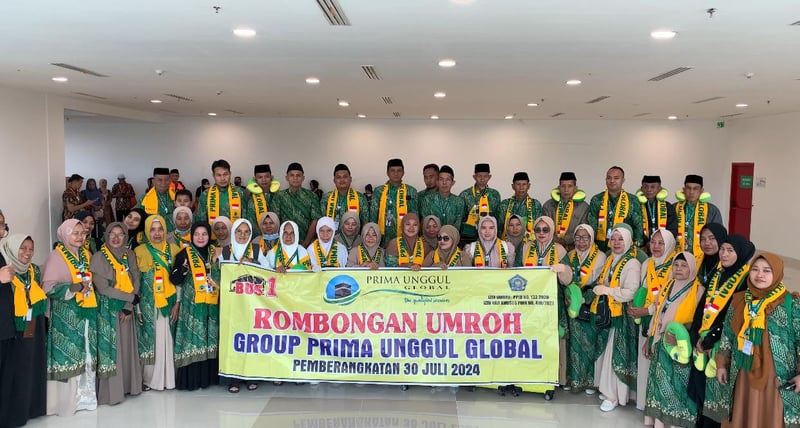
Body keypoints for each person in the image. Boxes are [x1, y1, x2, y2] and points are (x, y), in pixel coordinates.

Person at [715, 253, 800, 428]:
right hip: (743, 372)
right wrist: (722, 364)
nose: (759, 275)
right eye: (755, 269)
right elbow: (728, 335)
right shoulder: (739, 301)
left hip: (777, 378)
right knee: (742, 414)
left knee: (771, 417)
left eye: (766, 271)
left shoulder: (791, 304)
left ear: (776, 273)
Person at [689, 235, 754, 427]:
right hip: (704, 339)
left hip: (721, 345)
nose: (724, 254)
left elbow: (733, 315)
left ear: (741, 253)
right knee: (700, 386)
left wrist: (712, 337)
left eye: (730, 250)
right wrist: (696, 334)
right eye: (722, 249)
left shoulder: (745, 280)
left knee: (716, 393)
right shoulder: (717, 273)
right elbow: (703, 306)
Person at [41, 219, 98, 415]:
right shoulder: (55, 257)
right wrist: (74, 287)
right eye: (75, 233)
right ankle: (65, 402)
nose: (80, 237)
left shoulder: (86, 254)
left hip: (86, 313)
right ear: (65, 234)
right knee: (67, 354)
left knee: (86, 351)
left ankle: (86, 397)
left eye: (83, 233)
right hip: (65, 316)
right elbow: (48, 288)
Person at [643, 252, 705, 428]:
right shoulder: (668, 285)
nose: (678, 269)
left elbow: (699, 321)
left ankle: (677, 423)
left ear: (691, 268)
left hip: (679, 346)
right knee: (659, 383)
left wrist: (681, 331)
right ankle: (659, 422)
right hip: (660, 342)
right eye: (676, 265)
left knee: (677, 387)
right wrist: (649, 337)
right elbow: (657, 313)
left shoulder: (698, 291)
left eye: (683, 266)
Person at [89, 223, 143, 405]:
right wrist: (131, 298)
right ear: (106, 235)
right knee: (111, 350)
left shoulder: (130, 255)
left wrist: (129, 305)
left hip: (127, 308)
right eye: (113, 234)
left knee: (126, 346)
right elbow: (103, 289)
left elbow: (136, 278)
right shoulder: (97, 258)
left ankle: (129, 386)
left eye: (121, 234)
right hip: (108, 310)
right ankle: (111, 393)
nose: (116, 238)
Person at [591, 223, 642, 412]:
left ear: (628, 241)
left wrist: (608, 291)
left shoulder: (632, 263)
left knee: (616, 355)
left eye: (621, 239)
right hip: (609, 313)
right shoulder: (611, 259)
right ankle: (607, 389)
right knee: (606, 353)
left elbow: (630, 292)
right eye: (613, 238)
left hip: (622, 317)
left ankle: (614, 396)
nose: (616, 242)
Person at [520, 216, 572, 387]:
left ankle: (551, 378)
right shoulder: (526, 247)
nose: (541, 233)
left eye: (545, 230)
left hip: (552, 303)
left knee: (550, 340)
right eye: (538, 230)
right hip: (527, 303)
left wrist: (563, 269)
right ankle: (530, 375)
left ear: (552, 230)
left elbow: (568, 280)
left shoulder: (560, 250)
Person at [0, 234, 47, 426]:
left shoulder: (32, 270)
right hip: (12, 329)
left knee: (30, 366)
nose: (27, 253)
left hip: (31, 324)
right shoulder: (6, 271)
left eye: (30, 249)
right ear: (12, 248)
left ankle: (30, 408)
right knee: (14, 371)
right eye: (23, 248)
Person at [628, 229, 677, 411]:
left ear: (670, 244)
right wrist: (634, 306)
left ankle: (658, 407)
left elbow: (672, 296)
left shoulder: (675, 265)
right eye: (653, 242)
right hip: (644, 318)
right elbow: (642, 287)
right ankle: (643, 403)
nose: (655, 247)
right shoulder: (647, 262)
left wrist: (647, 310)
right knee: (644, 360)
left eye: (661, 243)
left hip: (662, 320)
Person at [170, 222, 220, 391]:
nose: (200, 237)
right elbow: (174, 279)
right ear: (191, 236)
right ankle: (192, 379)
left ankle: (209, 378)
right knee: (193, 339)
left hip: (211, 305)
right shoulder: (185, 253)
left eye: (204, 234)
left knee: (210, 337)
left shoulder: (215, 252)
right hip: (192, 305)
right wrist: (183, 270)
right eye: (197, 234)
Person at [134, 215, 181, 391]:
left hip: (169, 303)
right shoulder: (139, 252)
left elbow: (179, 280)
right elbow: (136, 283)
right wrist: (137, 307)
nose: (157, 233)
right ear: (147, 231)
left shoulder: (174, 249)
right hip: (147, 303)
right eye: (152, 230)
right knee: (150, 339)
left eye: (160, 229)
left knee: (168, 338)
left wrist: (177, 302)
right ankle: (150, 379)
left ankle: (170, 378)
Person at [564, 224, 607, 394]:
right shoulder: (569, 255)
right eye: (578, 237)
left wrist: (584, 298)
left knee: (588, 343)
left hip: (590, 303)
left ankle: (589, 382)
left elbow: (600, 281)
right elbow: (563, 278)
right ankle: (574, 379)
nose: (581, 241)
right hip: (572, 304)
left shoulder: (601, 257)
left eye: (585, 237)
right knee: (573, 345)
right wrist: (569, 296)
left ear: (591, 238)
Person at [587, 166, 644, 253]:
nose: (612, 181)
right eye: (609, 178)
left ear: (623, 180)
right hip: (600, 248)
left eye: (616, 178)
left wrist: (636, 247)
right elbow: (592, 226)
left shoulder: (632, 200)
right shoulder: (597, 199)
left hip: (625, 248)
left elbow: (638, 227)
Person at [272, 162, 323, 248]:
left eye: (298, 175)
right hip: (284, 244)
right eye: (292, 175)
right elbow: (275, 221)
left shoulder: (311, 196)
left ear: (303, 178)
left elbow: (315, 220)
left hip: (307, 245)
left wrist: (305, 243)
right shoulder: (279, 196)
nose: (295, 178)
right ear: (287, 178)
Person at [369, 159, 418, 246]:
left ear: (403, 172)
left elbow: (414, 216)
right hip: (382, 238)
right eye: (392, 171)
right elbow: (373, 215)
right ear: (387, 173)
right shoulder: (379, 191)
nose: (396, 173)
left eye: (399, 171)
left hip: (404, 237)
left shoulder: (411, 191)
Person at [675, 175, 724, 260]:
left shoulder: (712, 210)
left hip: (703, 256)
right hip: (677, 254)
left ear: (701, 191)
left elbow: (718, 236)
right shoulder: (674, 208)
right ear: (683, 190)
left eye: (695, 188)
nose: (691, 192)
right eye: (688, 188)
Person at [542, 172, 589, 251]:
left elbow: (584, 229)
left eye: (570, 186)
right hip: (551, 248)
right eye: (563, 186)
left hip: (575, 249)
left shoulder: (584, 207)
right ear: (559, 187)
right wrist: (555, 240)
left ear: (575, 188)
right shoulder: (548, 205)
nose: (566, 189)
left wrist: (564, 240)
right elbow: (544, 227)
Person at [195, 160, 247, 229]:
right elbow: (201, 221)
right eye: (218, 175)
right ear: (213, 176)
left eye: (225, 174)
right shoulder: (205, 195)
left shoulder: (241, 193)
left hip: (237, 237)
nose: (222, 178)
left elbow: (246, 219)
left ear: (230, 174)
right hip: (213, 237)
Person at [459, 163, 501, 245]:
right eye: (479, 176)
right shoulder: (465, 194)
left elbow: (497, 218)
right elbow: (461, 218)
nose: (482, 179)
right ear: (474, 177)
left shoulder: (495, 194)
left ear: (489, 177)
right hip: (469, 238)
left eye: (485, 176)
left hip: (489, 237)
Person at [321, 164, 369, 230]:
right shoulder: (326, 198)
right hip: (331, 238)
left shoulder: (360, 198)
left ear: (350, 179)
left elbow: (365, 222)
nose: (342, 180)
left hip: (354, 239)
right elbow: (322, 221)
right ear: (334, 180)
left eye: (345, 177)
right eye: (338, 177)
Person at [419, 165, 466, 233]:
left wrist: (446, 238)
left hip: (451, 239)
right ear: (437, 182)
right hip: (431, 239)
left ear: (453, 183)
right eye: (441, 179)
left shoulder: (459, 201)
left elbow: (457, 226)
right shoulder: (427, 200)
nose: (444, 183)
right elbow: (426, 224)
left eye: (448, 179)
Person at [498, 172, 543, 241]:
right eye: (518, 184)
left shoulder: (536, 204)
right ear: (513, 186)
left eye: (524, 184)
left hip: (530, 246)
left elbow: (539, 228)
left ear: (528, 186)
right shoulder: (504, 204)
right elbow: (499, 228)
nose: (521, 187)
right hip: (508, 244)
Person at [637, 175, 678, 250]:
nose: (649, 190)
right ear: (642, 188)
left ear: (659, 188)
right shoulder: (636, 206)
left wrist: (659, 243)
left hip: (663, 247)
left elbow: (673, 229)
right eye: (646, 187)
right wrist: (647, 242)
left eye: (653, 187)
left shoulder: (668, 206)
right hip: (642, 247)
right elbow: (635, 227)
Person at [246, 164, 275, 236]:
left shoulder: (277, 196)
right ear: (255, 179)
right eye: (260, 177)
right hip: (258, 239)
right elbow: (251, 222)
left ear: (271, 178)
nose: (264, 180)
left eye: (267, 176)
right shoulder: (251, 198)